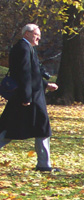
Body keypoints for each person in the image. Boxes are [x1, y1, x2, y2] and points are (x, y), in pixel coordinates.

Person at [0, 24, 59, 172]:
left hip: (31, 97)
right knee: (8, 129)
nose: (39, 37)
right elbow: (24, 75)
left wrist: (45, 84)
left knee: (41, 128)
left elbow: (33, 74)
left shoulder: (27, 48)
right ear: (27, 34)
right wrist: (26, 97)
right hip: (27, 99)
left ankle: (44, 164)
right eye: (36, 34)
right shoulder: (22, 48)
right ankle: (44, 165)